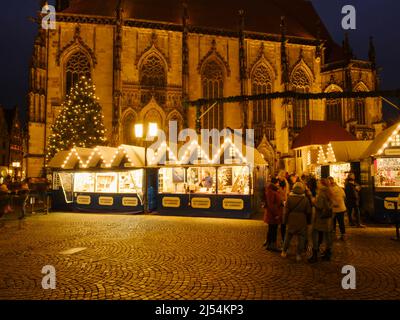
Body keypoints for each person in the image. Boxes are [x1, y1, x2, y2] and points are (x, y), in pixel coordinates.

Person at [281, 182, 312, 262]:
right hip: (302, 220)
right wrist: (309, 222)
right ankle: (298, 254)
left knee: (288, 236)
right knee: (301, 237)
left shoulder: (290, 198)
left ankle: (284, 251)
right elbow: (308, 211)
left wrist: (284, 221)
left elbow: (286, 211)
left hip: (291, 219)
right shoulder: (305, 199)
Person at [309, 178, 334, 263]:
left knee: (315, 233)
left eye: (318, 183)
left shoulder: (321, 193)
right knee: (327, 235)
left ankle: (315, 254)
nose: (317, 184)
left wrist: (313, 201)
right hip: (328, 217)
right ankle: (328, 253)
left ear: (322, 184)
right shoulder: (329, 192)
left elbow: (319, 206)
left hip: (320, 217)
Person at [264, 178, 284, 251]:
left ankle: (270, 244)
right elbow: (271, 205)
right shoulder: (271, 191)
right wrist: (276, 214)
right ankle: (272, 245)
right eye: (277, 183)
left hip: (273, 214)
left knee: (272, 229)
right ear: (275, 183)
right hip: (273, 215)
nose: (278, 184)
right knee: (273, 230)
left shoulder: (273, 190)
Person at [277, 170, 289, 243]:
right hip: (283, 202)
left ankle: (284, 239)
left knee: (283, 223)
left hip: (283, 203)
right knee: (282, 222)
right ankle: (283, 238)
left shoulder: (284, 182)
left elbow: (284, 192)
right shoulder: (284, 182)